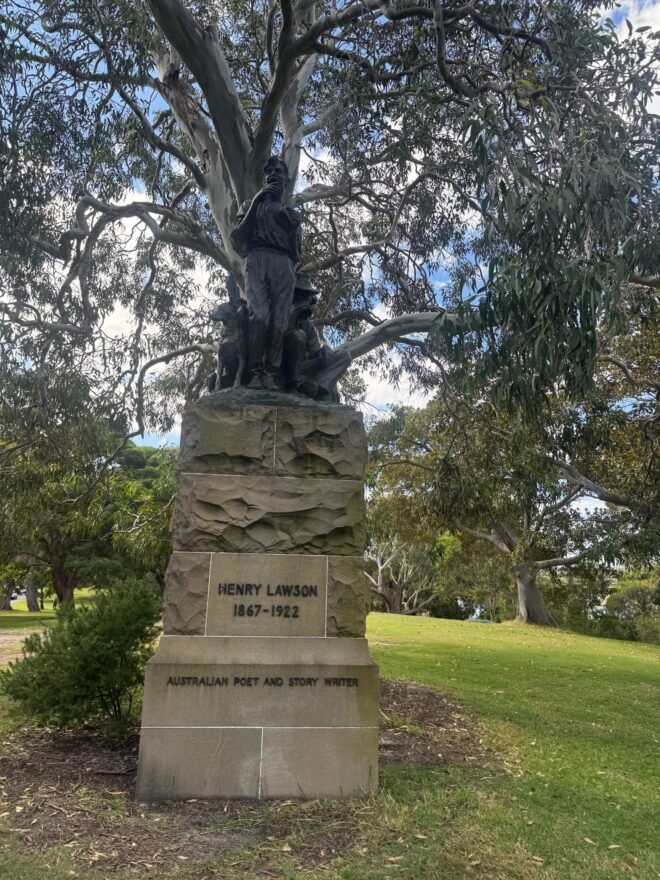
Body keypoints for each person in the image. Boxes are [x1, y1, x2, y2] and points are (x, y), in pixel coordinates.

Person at [230, 157, 301, 390]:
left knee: (279, 322)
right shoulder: (251, 205)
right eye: (268, 171)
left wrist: (292, 228)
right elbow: (238, 241)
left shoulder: (290, 213)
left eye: (278, 171)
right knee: (259, 316)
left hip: (283, 264)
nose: (272, 174)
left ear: (286, 180)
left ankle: (272, 373)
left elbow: (296, 254)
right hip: (257, 259)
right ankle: (254, 373)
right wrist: (258, 199)